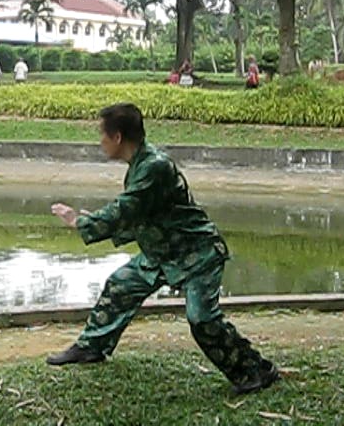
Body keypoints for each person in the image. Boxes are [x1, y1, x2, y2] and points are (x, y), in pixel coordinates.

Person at [48, 103, 279, 395]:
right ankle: (91, 347)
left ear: (117, 137)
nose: (100, 141)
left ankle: (257, 371)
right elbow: (140, 214)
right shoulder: (140, 164)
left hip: (197, 253)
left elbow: (126, 209)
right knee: (120, 286)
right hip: (162, 254)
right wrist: (94, 220)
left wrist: (81, 221)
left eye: (102, 134)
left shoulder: (154, 166)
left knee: (202, 319)